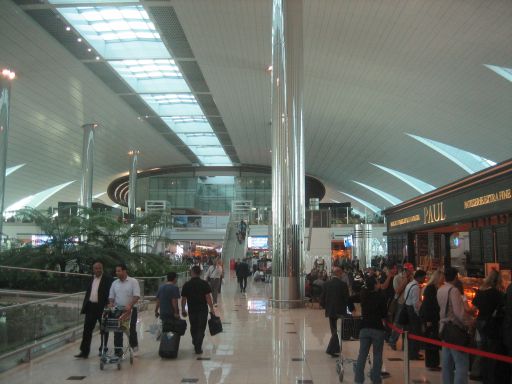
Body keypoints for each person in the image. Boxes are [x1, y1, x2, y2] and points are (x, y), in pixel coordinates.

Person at [437, 267, 473, 384]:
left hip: (444, 328)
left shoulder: (441, 289)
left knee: (446, 364)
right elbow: (459, 312)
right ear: (456, 277)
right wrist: (469, 323)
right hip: (454, 329)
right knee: (461, 363)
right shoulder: (453, 290)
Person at [472, 269, 507, 384]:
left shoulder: (481, 291)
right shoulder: (496, 293)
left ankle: (479, 373)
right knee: (491, 349)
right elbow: (503, 306)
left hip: (479, 321)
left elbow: (474, 306)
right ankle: (489, 375)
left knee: (481, 348)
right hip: (490, 323)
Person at [75, 261, 113, 358]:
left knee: (104, 329)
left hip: (102, 307)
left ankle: (103, 349)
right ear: (93, 270)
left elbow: (111, 293)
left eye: (99, 268)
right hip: (91, 307)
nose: (98, 270)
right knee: (87, 329)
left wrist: (109, 304)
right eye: (96, 268)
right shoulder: (91, 278)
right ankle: (84, 351)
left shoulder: (108, 279)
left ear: (102, 269)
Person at [354, 275, 388, 384]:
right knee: (377, 355)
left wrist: (353, 311)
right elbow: (384, 314)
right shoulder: (381, 297)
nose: (379, 284)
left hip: (364, 328)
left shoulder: (363, 295)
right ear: (374, 285)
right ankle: (376, 378)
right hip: (377, 328)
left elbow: (349, 299)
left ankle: (359, 379)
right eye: (377, 282)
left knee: (362, 355)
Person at [181, 266, 215, 354]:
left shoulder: (187, 284)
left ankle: (195, 340)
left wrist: (183, 310)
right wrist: (211, 308)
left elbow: (183, 299)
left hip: (192, 310)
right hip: (202, 309)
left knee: (194, 326)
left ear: (192, 272)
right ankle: (198, 346)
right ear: (200, 273)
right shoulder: (204, 284)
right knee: (201, 328)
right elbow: (208, 297)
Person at [108, 264, 141, 356]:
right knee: (117, 330)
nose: (117, 273)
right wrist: (111, 303)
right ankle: (118, 351)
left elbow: (137, 295)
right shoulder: (114, 283)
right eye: (116, 271)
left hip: (131, 309)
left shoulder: (133, 282)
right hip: (118, 310)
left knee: (131, 329)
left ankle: (134, 347)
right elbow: (111, 296)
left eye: (119, 271)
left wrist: (130, 305)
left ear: (125, 271)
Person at [320, 266, 351, 357]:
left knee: (333, 329)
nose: (342, 275)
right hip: (341, 310)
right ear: (338, 273)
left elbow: (322, 298)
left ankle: (334, 348)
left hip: (331, 310)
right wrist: (351, 310)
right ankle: (332, 349)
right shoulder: (343, 285)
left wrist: (325, 306)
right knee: (338, 330)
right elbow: (347, 299)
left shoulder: (326, 284)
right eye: (341, 273)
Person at [419, 270, 443, 371]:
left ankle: (433, 363)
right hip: (430, 319)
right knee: (432, 340)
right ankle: (432, 363)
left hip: (432, 318)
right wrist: (428, 320)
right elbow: (428, 306)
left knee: (432, 340)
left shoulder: (432, 288)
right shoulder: (431, 289)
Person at [388, 263, 414, 350]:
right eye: (410, 270)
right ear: (405, 270)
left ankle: (405, 345)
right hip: (400, 302)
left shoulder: (412, 278)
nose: (411, 272)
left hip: (409, 303)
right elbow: (397, 291)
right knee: (398, 324)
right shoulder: (397, 278)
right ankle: (392, 341)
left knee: (407, 325)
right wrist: (405, 281)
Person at [404, 269, 427, 360]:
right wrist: (419, 314)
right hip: (412, 312)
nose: (424, 279)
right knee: (415, 332)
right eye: (424, 277)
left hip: (407, 309)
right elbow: (416, 303)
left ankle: (412, 352)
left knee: (411, 332)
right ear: (419, 277)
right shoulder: (416, 287)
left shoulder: (409, 284)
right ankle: (414, 354)